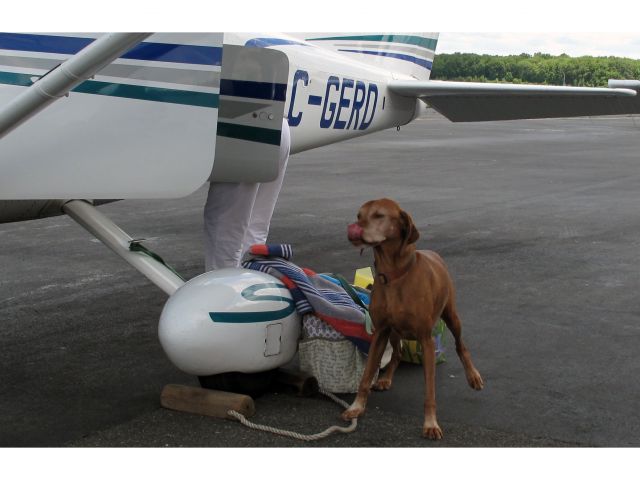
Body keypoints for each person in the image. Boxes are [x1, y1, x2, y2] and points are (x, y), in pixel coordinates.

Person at [204, 118, 291, 271]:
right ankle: (249, 287)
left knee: (225, 232)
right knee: (254, 235)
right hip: (278, 125)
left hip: (244, 125)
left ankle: (225, 290)